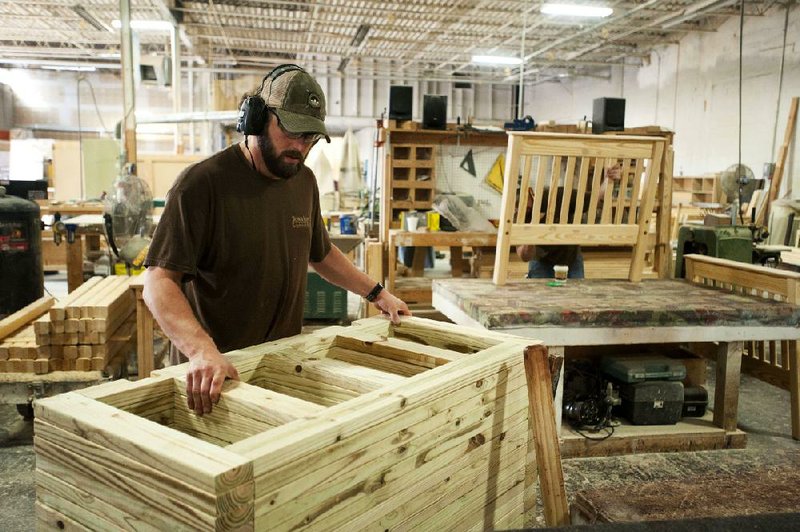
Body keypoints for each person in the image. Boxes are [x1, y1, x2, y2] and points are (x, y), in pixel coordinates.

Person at [142, 64, 410, 415]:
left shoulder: (304, 181)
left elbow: (321, 253)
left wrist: (377, 292)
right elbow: (158, 282)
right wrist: (201, 350)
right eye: (291, 131)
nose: (300, 146)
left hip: (280, 365)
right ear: (255, 119)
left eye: (310, 137)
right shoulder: (201, 184)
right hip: (217, 377)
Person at [516, 164, 620, 279]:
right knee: (540, 294)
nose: (521, 206)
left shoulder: (558, 196)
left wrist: (608, 179)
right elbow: (524, 256)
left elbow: (594, 199)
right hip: (542, 262)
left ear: (531, 192)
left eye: (524, 199)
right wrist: (531, 236)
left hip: (571, 259)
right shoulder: (517, 216)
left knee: (576, 294)